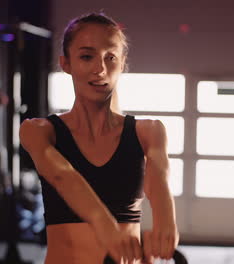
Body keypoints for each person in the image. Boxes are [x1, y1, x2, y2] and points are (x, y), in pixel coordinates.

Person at [19, 12, 179, 264]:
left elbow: (158, 179)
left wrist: (165, 218)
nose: (100, 69)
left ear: (123, 63)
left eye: (110, 57)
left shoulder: (149, 131)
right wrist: (105, 225)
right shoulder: (39, 130)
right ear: (66, 63)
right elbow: (63, 175)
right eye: (86, 56)